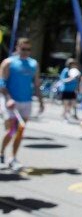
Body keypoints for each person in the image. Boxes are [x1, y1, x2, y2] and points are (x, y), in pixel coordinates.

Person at [0, 38, 44, 170]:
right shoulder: (8, 62)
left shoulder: (33, 64)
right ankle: (1, 153)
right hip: (10, 102)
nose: (26, 52)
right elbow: (1, 83)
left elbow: (36, 83)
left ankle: (13, 158)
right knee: (11, 130)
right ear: (17, 48)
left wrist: (41, 101)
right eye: (23, 49)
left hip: (26, 102)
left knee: (21, 130)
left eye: (28, 49)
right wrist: (8, 98)